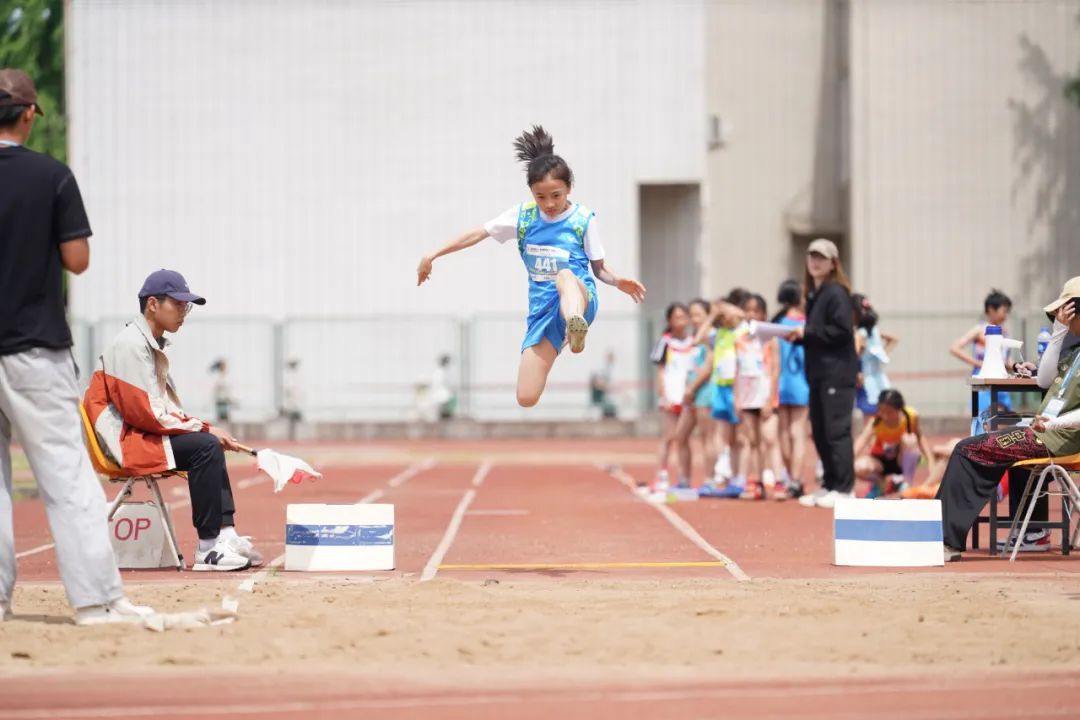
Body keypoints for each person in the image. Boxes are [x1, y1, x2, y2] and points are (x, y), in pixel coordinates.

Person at [0, 69, 153, 626]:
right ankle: (95, 601)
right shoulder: (51, 176)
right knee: (64, 476)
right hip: (33, 348)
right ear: (29, 114)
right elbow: (76, 260)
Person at [416, 126, 646, 407]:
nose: (549, 203)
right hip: (543, 312)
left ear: (568, 189)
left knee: (565, 276)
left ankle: (575, 326)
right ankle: (568, 330)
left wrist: (617, 281)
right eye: (541, 196)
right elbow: (478, 233)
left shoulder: (583, 219)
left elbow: (598, 268)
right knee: (526, 396)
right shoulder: (523, 217)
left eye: (556, 195)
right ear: (532, 193)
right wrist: (433, 254)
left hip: (580, 298)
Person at [83, 270, 264, 572]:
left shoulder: (150, 345)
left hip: (138, 433)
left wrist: (207, 428)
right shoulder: (130, 345)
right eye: (179, 305)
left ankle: (225, 535)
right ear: (153, 304)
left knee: (208, 443)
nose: (184, 312)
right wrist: (206, 429)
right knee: (204, 447)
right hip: (123, 442)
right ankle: (208, 549)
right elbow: (146, 414)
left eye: (186, 306)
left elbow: (162, 410)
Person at [938, 279, 1080, 561]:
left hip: (1056, 437)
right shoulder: (1074, 349)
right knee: (995, 445)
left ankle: (944, 541)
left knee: (968, 450)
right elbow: (1043, 379)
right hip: (1045, 432)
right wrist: (1058, 332)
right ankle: (1034, 533)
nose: (1059, 317)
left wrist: (1051, 425)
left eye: (1064, 313)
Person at [788, 239, 859, 509]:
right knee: (819, 430)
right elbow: (820, 334)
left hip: (837, 375)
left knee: (836, 430)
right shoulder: (814, 294)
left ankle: (844, 488)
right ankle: (829, 484)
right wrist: (798, 336)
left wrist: (807, 332)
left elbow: (842, 331)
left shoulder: (836, 293)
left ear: (833, 263)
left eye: (822, 257)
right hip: (818, 374)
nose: (815, 262)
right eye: (812, 257)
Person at [729, 294, 785, 500]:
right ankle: (758, 481)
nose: (752, 314)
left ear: (763, 313)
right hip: (746, 396)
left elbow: (775, 369)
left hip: (766, 394)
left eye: (756, 310)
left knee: (770, 438)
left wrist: (770, 398)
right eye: (748, 309)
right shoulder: (739, 337)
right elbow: (736, 368)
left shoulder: (770, 337)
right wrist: (736, 398)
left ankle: (778, 481)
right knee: (752, 441)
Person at [949, 289, 1031, 423]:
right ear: (991, 309)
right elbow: (954, 348)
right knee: (984, 420)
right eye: (1004, 311)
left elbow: (1006, 360)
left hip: (1002, 382)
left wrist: (1017, 367)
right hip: (984, 382)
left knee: (1005, 422)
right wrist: (978, 363)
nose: (1006, 315)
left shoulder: (1005, 332)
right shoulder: (979, 330)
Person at [695, 290, 748, 497]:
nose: (723, 317)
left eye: (725, 314)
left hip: (739, 388)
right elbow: (699, 338)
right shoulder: (718, 335)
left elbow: (746, 320)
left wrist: (728, 309)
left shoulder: (742, 332)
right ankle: (728, 474)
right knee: (725, 436)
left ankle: (741, 477)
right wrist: (712, 316)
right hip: (721, 387)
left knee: (741, 437)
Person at [853, 389, 935, 497]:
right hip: (880, 462)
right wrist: (847, 465)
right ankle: (881, 485)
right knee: (857, 467)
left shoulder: (910, 417)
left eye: (889, 412)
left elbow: (920, 438)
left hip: (901, 461)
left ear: (899, 409)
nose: (885, 416)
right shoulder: (875, 422)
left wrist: (930, 461)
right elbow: (862, 440)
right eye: (881, 411)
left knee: (910, 439)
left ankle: (907, 485)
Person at [672, 299, 718, 488]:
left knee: (707, 437)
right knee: (680, 436)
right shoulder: (695, 337)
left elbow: (708, 366)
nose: (694, 319)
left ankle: (710, 479)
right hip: (691, 394)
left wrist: (691, 389)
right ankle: (684, 479)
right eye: (692, 315)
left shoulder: (711, 336)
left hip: (705, 391)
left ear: (708, 316)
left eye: (699, 315)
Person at [651, 303, 696, 489]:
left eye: (683, 317)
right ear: (670, 320)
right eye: (676, 317)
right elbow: (660, 371)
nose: (680, 321)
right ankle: (661, 474)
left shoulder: (693, 341)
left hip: (687, 397)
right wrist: (664, 395)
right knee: (668, 437)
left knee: (683, 438)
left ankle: (685, 477)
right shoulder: (665, 341)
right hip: (670, 396)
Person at [773, 280, 809, 498]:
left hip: (778, 382)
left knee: (784, 433)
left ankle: (790, 477)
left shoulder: (776, 322)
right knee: (798, 432)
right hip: (801, 381)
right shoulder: (806, 323)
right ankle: (796, 480)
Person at [851, 293, 898, 419]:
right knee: (881, 416)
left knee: (870, 420)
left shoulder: (859, 334)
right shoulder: (875, 331)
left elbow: (854, 355)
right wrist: (882, 353)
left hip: (867, 382)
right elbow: (894, 339)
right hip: (881, 379)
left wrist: (857, 371)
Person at [589, 350, 618, 419]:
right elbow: (597, 383)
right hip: (603, 402)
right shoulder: (602, 368)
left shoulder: (614, 369)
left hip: (611, 401)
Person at [281, 357, 303, 441]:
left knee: (296, 419)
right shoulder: (288, 376)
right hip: (290, 401)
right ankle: (291, 439)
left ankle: (295, 438)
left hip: (295, 401)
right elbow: (287, 389)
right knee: (290, 419)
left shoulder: (297, 376)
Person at [209, 358, 233, 423]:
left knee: (226, 420)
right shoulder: (216, 377)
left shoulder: (227, 375)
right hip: (220, 401)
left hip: (226, 401)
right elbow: (216, 388)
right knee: (220, 420)